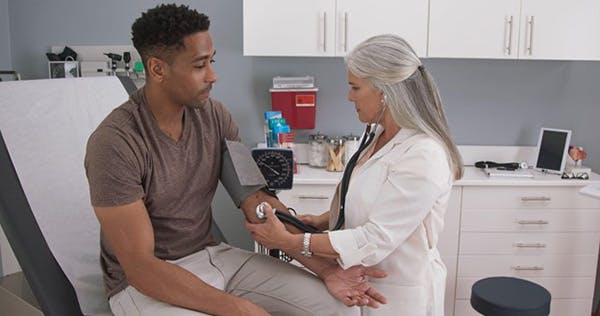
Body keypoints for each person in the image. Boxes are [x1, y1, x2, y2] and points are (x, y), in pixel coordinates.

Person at [84, 4, 386, 316]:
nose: (213, 76)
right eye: (200, 66)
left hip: (212, 255)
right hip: (149, 283)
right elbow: (141, 268)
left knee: (336, 306)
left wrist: (326, 270)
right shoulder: (115, 143)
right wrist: (239, 309)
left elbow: (256, 201)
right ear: (158, 69)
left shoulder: (215, 117)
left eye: (211, 61)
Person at [247, 34, 464, 316]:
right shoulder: (377, 136)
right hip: (360, 283)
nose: (349, 96)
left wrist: (290, 242)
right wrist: (323, 219)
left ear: (384, 92)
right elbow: (369, 199)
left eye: (355, 87)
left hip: (399, 295)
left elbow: (376, 238)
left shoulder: (424, 155)